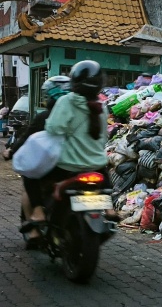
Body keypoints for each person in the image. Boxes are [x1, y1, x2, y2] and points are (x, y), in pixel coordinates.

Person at [21, 61, 118, 238]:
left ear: (74, 81)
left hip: (66, 168)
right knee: (104, 178)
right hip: (96, 167)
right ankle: (109, 208)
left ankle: (38, 212)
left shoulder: (66, 101)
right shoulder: (102, 107)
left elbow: (54, 129)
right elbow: (105, 137)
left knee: (30, 175)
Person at [4, 76, 71, 247]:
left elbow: (27, 138)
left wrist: (11, 150)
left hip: (53, 168)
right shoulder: (82, 113)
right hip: (80, 166)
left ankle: (35, 223)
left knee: (29, 178)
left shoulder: (45, 117)